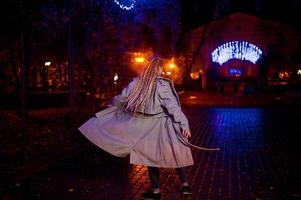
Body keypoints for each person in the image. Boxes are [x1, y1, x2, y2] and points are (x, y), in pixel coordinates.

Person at [78, 57, 219, 200]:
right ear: (157, 69)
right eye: (161, 68)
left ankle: (157, 191)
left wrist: (112, 107)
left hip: (146, 126)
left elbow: (121, 99)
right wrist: (183, 124)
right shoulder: (159, 86)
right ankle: (184, 186)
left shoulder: (136, 84)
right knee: (177, 152)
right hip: (163, 125)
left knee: (151, 157)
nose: (162, 71)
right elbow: (173, 108)